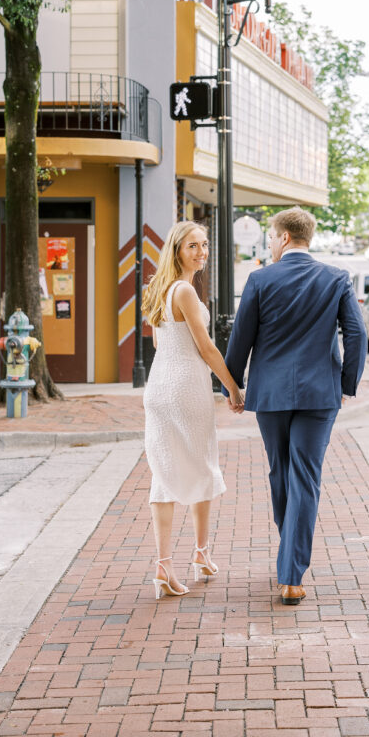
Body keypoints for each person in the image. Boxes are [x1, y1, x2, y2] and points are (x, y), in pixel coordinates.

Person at [225, 207, 367, 605]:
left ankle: (289, 570)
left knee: (280, 473)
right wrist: (346, 384)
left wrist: (233, 386)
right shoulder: (336, 277)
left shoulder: (259, 279)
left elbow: (241, 339)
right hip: (320, 393)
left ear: (284, 237)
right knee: (304, 477)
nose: (269, 243)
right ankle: (292, 569)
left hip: (270, 395)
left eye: (271, 237)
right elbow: (356, 333)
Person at [142, 221, 245, 600]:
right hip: (186, 388)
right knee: (202, 464)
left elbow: (159, 345)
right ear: (176, 250)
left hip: (159, 387)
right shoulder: (184, 291)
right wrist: (232, 386)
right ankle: (197, 555)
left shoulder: (159, 290)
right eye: (192, 246)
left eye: (204, 245)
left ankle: (168, 565)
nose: (201, 252)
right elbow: (206, 348)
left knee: (164, 473)